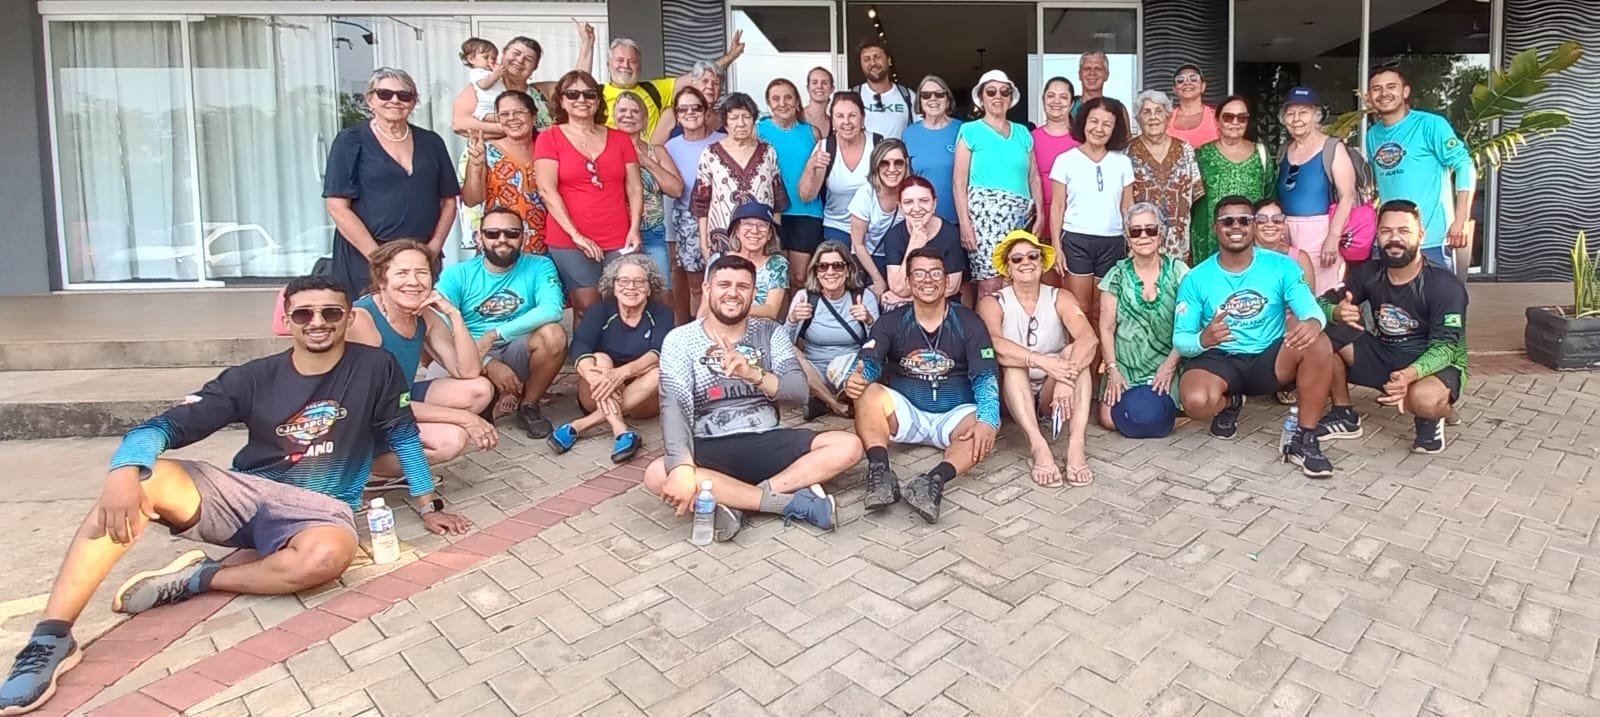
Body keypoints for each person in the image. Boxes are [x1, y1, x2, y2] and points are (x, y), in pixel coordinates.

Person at [0, 276, 472, 716]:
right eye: (304, 314)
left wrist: (428, 503)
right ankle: (51, 639)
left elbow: (401, 432)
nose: (318, 323)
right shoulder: (252, 377)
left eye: (331, 313)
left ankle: (201, 579)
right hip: (247, 494)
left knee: (328, 558)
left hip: (322, 511)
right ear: (286, 321)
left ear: (349, 318)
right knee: (142, 480)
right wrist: (125, 467)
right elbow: (166, 425)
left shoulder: (375, 366)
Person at [644, 254, 858, 541]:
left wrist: (752, 373)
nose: (733, 293)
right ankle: (787, 502)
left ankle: (736, 501)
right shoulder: (680, 339)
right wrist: (682, 466)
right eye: (724, 285)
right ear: (707, 289)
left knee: (848, 445)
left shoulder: (770, 332)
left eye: (742, 287)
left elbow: (797, 392)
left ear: (753, 292)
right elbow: (675, 407)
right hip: (709, 443)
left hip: (766, 437)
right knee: (658, 474)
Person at [1175, 196, 1337, 478]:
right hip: (1220, 357)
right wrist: (1203, 339)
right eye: (1228, 221)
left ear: (1253, 226)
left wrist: (1313, 321)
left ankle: (1305, 438)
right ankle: (1230, 403)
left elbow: (1309, 308)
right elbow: (1181, 339)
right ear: (1216, 228)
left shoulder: (1282, 266)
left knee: (1318, 342)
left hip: (1269, 357)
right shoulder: (1196, 277)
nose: (1236, 226)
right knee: (1196, 402)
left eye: (1244, 220)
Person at [844, 248, 1001, 523]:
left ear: (947, 280)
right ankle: (880, 473)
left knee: (987, 421)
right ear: (908, 281)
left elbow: (985, 376)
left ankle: (933, 481)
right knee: (868, 394)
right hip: (907, 412)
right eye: (919, 273)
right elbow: (869, 363)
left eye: (935, 273)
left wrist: (988, 420)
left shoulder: (969, 322)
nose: (927, 279)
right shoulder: (892, 321)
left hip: (955, 415)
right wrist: (858, 380)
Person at [1315, 200, 1468, 454]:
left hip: (1431, 364)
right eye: (1386, 231)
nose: (1394, 239)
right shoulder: (1369, 272)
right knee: (1322, 330)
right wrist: (1336, 311)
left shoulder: (1445, 285)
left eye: (1404, 231)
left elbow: (1447, 348)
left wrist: (1410, 375)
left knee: (1425, 401)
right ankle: (1344, 415)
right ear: (1377, 235)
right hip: (1383, 355)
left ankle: (1434, 413)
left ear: (1421, 235)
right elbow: (1319, 303)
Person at [348, 241, 496, 489]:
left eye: (421, 273)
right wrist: (465, 418)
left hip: (399, 401)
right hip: (363, 418)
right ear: (382, 280)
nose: (413, 282)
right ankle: (368, 472)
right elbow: (378, 404)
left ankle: (402, 454)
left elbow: (468, 371)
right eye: (402, 273)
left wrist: (454, 316)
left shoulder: (424, 315)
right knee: (451, 441)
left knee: (479, 388)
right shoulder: (364, 320)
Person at [324, 68, 460, 300]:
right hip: (365, 258)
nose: (395, 100)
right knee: (369, 318)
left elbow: (449, 202)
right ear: (370, 99)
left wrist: (433, 249)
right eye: (385, 94)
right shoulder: (350, 141)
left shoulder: (431, 142)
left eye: (404, 95)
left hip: (421, 257)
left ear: (414, 101)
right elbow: (337, 207)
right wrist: (379, 259)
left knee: (420, 317)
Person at [436, 208, 569, 440]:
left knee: (554, 334)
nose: (502, 239)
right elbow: (440, 324)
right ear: (479, 238)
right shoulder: (456, 274)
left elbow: (552, 309)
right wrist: (488, 363)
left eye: (511, 233)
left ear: (523, 237)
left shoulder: (540, 265)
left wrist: (494, 334)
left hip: (516, 346)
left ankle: (528, 405)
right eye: (492, 233)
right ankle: (490, 397)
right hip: (472, 351)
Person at [977, 230, 1097, 488]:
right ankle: (1038, 447)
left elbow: (1089, 338)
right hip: (1013, 390)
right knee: (1014, 365)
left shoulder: (1060, 297)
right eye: (1017, 259)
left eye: (1033, 256)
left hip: (1052, 389)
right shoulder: (993, 302)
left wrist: (1066, 377)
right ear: (1008, 268)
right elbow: (995, 345)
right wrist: (1041, 361)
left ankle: (1076, 446)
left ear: (1042, 263)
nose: (1026, 262)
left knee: (1075, 354)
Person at [533, 70, 644, 322]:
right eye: (572, 94)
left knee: (621, 301)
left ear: (598, 100)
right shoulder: (549, 138)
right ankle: (585, 349)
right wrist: (576, 235)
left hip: (619, 233)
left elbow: (635, 188)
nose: (581, 99)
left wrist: (635, 228)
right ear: (561, 101)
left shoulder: (619, 138)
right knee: (586, 306)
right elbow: (547, 190)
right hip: (569, 237)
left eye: (589, 94)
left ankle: (616, 348)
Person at [549, 254, 673, 462]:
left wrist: (621, 374)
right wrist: (595, 376)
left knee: (658, 372)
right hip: (598, 391)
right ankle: (620, 430)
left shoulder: (662, 314)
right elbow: (580, 345)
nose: (631, 287)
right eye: (623, 281)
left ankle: (579, 426)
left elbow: (658, 351)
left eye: (639, 282)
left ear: (650, 288)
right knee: (600, 358)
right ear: (613, 286)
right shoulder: (600, 310)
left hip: (642, 399)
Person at [1366, 65, 1476, 272]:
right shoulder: (1373, 135)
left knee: (1438, 293)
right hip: (1389, 242)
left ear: (1405, 91)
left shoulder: (1431, 124)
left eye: (1391, 87)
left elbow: (1464, 165)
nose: (1384, 93)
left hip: (1431, 241)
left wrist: (1461, 219)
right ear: (1369, 96)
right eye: (1376, 89)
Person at [692, 92, 788, 316]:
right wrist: (704, 242)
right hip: (722, 237)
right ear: (725, 122)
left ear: (754, 119)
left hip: (760, 235)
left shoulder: (768, 151)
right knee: (721, 293)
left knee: (764, 293)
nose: (740, 123)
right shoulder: (710, 153)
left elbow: (777, 199)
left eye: (746, 117)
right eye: (734, 118)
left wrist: (775, 237)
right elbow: (701, 202)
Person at [1098, 203, 1186, 439]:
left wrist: (1170, 366)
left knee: (1161, 412)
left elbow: (1188, 326)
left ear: (1161, 233)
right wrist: (1113, 370)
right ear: (1128, 237)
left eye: (1151, 229)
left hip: (1167, 361)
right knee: (1110, 419)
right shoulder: (1116, 276)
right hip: (1125, 364)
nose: (1144, 236)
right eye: (1136, 231)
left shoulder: (1179, 272)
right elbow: (1106, 328)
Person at [955, 70, 1041, 298]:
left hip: (1020, 218)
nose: (998, 96)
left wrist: (1040, 214)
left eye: (1004, 92)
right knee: (989, 284)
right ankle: (987, 323)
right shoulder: (970, 130)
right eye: (991, 91)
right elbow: (959, 181)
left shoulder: (1022, 132)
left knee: (1017, 277)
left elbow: (1034, 176)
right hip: (984, 219)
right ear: (981, 97)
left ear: (1011, 97)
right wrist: (965, 225)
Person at [1050, 96, 1135, 322]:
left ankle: (1101, 348)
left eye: (1107, 124)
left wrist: (1133, 243)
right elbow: (1057, 206)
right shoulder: (1065, 160)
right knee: (1080, 308)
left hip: (1112, 241)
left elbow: (1127, 206)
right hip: (1076, 240)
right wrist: (1057, 247)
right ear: (1083, 122)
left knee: (1102, 309)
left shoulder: (1123, 163)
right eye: (1094, 121)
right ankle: (1078, 347)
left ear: (1114, 129)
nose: (1099, 129)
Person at [787, 240, 880, 420]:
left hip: (851, 370)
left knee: (870, 365)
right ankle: (834, 403)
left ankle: (823, 401)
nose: (830, 272)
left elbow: (877, 344)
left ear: (848, 270)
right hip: (814, 374)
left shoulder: (863, 297)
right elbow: (783, 345)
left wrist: (869, 321)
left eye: (837, 266)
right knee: (790, 353)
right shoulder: (805, 297)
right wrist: (792, 321)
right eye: (823, 267)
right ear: (816, 272)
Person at [1277, 87, 1356, 294]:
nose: (1296, 119)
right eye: (1290, 113)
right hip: (1285, 231)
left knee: (1319, 291)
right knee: (1291, 290)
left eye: (1303, 112)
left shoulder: (1332, 147)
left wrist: (1333, 237)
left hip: (1319, 232)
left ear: (1316, 116)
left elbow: (1348, 196)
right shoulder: (1284, 149)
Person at [451, 26, 594, 137]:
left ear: (534, 68)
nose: (520, 60)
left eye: (528, 59)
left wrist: (587, 45)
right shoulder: (484, 86)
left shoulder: (541, 92)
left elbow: (578, 84)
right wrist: (513, 128)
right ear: (503, 54)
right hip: (489, 163)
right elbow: (460, 124)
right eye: (516, 53)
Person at [663, 86, 725, 323]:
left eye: (696, 108)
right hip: (687, 219)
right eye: (683, 109)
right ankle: (699, 329)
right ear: (677, 116)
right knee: (697, 286)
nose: (690, 113)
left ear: (706, 111)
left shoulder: (723, 141)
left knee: (725, 278)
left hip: (723, 218)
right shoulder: (670, 147)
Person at [613, 91, 686, 295]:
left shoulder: (657, 152)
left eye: (635, 111)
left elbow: (676, 189)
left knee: (661, 292)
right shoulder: (604, 149)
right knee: (622, 292)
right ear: (614, 116)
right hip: (617, 232)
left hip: (652, 231)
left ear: (645, 120)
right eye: (623, 110)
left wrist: (645, 161)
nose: (628, 115)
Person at [603, 35, 744, 137]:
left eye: (632, 61)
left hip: (645, 162)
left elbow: (700, 76)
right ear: (609, 64)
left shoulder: (653, 90)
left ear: (639, 66)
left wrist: (730, 57)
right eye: (620, 60)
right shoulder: (596, 95)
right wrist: (589, 47)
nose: (626, 65)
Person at [462, 91, 549, 256]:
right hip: (500, 245)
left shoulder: (549, 149)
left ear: (534, 116)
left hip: (546, 244)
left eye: (519, 112)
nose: (512, 118)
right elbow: (472, 200)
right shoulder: (486, 150)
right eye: (504, 114)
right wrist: (476, 164)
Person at [759, 78, 826, 291]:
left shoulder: (812, 132)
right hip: (771, 213)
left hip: (806, 212)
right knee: (776, 279)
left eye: (788, 97)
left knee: (799, 277)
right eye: (776, 98)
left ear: (797, 101)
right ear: (769, 103)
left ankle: (798, 313)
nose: (782, 103)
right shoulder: (758, 131)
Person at [1192, 96, 1274, 265]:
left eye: (1241, 118)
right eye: (1228, 117)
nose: (1235, 122)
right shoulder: (1200, 155)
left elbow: (1269, 194)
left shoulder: (1261, 154)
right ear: (1217, 121)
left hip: (1250, 240)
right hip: (1208, 242)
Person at [1128, 90, 1204, 263]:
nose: (1153, 117)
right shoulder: (1127, 152)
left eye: (1159, 111)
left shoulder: (1185, 149)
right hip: (1142, 241)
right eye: (1146, 112)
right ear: (1138, 119)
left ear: (1168, 117)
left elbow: (1196, 198)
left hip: (1179, 244)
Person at [799, 93, 879, 253]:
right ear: (833, 121)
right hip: (838, 227)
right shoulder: (825, 147)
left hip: (874, 229)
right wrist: (810, 167)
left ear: (862, 118)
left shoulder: (878, 145)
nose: (846, 122)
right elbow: (806, 196)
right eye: (840, 116)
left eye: (852, 115)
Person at [881, 177, 965, 308]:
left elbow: (952, 287)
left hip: (944, 303)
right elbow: (898, 288)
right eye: (908, 202)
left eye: (924, 201)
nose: (917, 208)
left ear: (934, 204)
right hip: (910, 304)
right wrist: (913, 246)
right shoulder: (894, 236)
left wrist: (908, 299)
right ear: (901, 207)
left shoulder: (951, 234)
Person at [707, 202, 790, 321]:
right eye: (747, 224)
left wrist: (733, 310)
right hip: (719, 325)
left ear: (769, 235)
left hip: (759, 326)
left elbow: (772, 310)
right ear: (737, 231)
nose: (755, 231)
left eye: (763, 225)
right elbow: (705, 306)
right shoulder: (717, 260)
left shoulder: (777, 264)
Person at [849, 139, 911, 293]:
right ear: (875, 165)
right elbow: (858, 244)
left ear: (906, 164)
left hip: (903, 257)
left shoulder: (912, 192)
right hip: (870, 258)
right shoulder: (865, 194)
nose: (892, 169)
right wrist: (877, 279)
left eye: (898, 163)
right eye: (884, 163)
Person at [901, 75, 962, 227]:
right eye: (926, 95)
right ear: (920, 102)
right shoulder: (909, 134)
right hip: (921, 219)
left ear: (947, 99)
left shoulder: (963, 130)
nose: (933, 98)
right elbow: (906, 179)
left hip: (959, 219)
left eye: (939, 94)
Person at [1033, 76, 1082, 267]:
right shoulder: (1030, 138)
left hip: (1074, 225)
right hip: (1039, 221)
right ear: (1043, 99)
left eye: (1063, 97)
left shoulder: (1082, 140)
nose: (1056, 101)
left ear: (1071, 104)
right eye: (1051, 95)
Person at [650, 62, 730, 145]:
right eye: (704, 81)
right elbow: (653, 148)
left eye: (716, 83)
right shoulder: (672, 114)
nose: (710, 86)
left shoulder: (724, 119)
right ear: (693, 83)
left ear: (721, 90)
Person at [853, 38, 917, 139]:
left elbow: (921, 130)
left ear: (889, 60)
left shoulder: (908, 96)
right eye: (866, 59)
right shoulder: (853, 96)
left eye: (877, 57)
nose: (873, 63)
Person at [1252, 198, 1316, 289]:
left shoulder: (1299, 258)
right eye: (1261, 220)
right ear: (1253, 225)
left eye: (1277, 219)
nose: (1270, 224)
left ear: (1283, 224)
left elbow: (1308, 295)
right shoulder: (1243, 257)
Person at [1167, 64, 1219, 148]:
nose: (1187, 83)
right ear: (1175, 89)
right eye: (1180, 80)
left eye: (1194, 78)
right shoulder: (1166, 119)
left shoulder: (1216, 117)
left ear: (1203, 86)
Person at [460, 37, 502, 122]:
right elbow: (483, 85)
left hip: (498, 105)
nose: (491, 61)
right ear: (471, 59)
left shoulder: (490, 72)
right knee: (499, 117)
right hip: (487, 106)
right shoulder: (477, 72)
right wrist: (495, 75)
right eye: (486, 57)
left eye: (493, 58)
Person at [803, 66, 835, 138]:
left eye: (825, 83)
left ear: (832, 89)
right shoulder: (795, 118)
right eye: (814, 83)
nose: (819, 86)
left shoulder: (834, 123)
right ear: (808, 88)